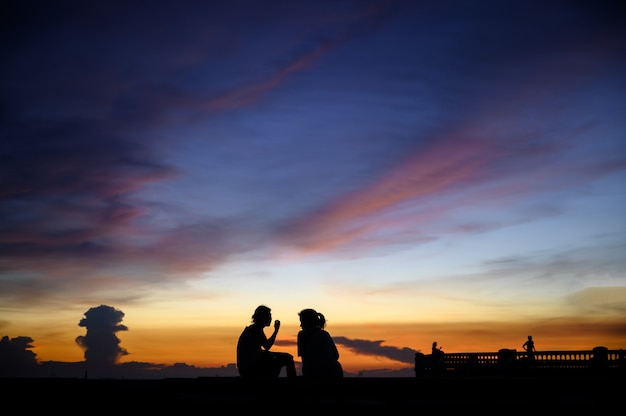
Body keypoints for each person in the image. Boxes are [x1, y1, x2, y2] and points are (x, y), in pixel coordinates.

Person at [236, 305, 296, 378]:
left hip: (247, 368)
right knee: (287, 358)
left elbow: (259, 350)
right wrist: (276, 331)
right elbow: (267, 346)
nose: (270, 319)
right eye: (268, 316)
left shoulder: (253, 329)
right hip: (250, 369)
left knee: (281, 357)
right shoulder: (255, 330)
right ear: (262, 317)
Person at [297, 308, 343, 379]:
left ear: (307, 322)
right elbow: (336, 355)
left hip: (314, 374)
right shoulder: (325, 334)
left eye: (302, 322)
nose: (300, 325)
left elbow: (305, 359)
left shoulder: (302, 335)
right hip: (334, 373)